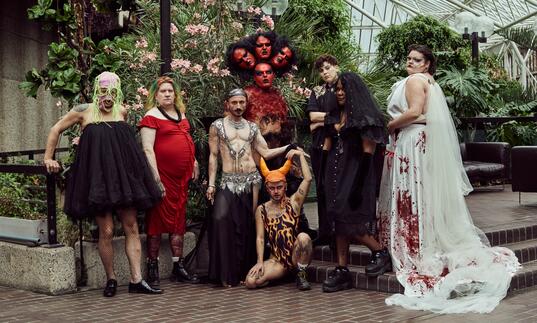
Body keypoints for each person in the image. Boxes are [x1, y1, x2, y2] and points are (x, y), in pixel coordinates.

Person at [377, 44, 520, 313]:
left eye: (416, 59)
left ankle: (413, 242)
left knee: (412, 193)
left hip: (411, 141)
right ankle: (425, 235)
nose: (410, 62)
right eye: (408, 58)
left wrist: (388, 125)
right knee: (424, 193)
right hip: (422, 141)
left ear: (426, 64)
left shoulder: (415, 80)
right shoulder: (430, 82)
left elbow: (415, 112)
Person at [43, 71, 162, 297]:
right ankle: (111, 279)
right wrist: (48, 157)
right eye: (105, 92)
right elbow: (55, 129)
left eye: (113, 93)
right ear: (98, 91)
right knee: (106, 231)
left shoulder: (122, 111)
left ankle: (137, 279)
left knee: (131, 227)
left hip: (123, 179)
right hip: (98, 180)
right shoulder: (83, 111)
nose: (108, 97)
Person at [206, 88, 291, 287]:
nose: (238, 106)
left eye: (242, 103)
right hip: (227, 180)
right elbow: (213, 156)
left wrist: (289, 148)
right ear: (227, 103)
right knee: (220, 219)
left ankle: (246, 272)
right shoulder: (217, 126)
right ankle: (225, 274)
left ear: (246, 104)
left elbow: (266, 153)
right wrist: (211, 184)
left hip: (251, 182)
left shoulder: (252, 128)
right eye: (234, 102)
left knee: (247, 226)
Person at [320, 72, 391, 293]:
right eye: (337, 89)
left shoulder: (365, 118)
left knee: (349, 218)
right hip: (334, 174)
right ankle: (342, 269)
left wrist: (358, 187)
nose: (340, 93)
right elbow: (327, 146)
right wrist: (322, 175)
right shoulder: (334, 115)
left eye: (343, 89)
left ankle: (380, 252)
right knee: (337, 219)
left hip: (355, 173)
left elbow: (368, 153)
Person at [139, 76, 200, 288]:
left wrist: (194, 161)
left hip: (180, 179)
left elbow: (187, 140)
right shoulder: (151, 116)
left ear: (175, 95)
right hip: (162, 176)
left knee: (178, 220)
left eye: (170, 91)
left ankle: (178, 266)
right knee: (156, 221)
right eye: (163, 91)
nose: (167, 94)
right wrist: (155, 178)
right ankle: (152, 267)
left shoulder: (180, 114)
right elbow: (147, 149)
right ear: (155, 95)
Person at [245, 150, 313, 291]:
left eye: (279, 187)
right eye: (272, 188)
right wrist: (259, 262)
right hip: (277, 261)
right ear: (267, 189)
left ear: (285, 186)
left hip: (295, 255)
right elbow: (260, 238)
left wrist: (300, 156)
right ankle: (282, 275)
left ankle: (301, 273)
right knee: (250, 282)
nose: (276, 191)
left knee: (304, 238)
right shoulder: (261, 210)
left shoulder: (294, 203)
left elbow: (308, 179)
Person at [306, 54, 339, 244]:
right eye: (321, 70)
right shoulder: (317, 91)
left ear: (336, 66)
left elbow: (344, 116)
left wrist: (322, 119)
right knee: (321, 188)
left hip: (338, 145)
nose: (325, 72)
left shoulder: (343, 88)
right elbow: (312, 118)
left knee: (337, 188)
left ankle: (340, 232)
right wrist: (330, 116)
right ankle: (325, 232)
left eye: (327, 68)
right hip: (318, 146)